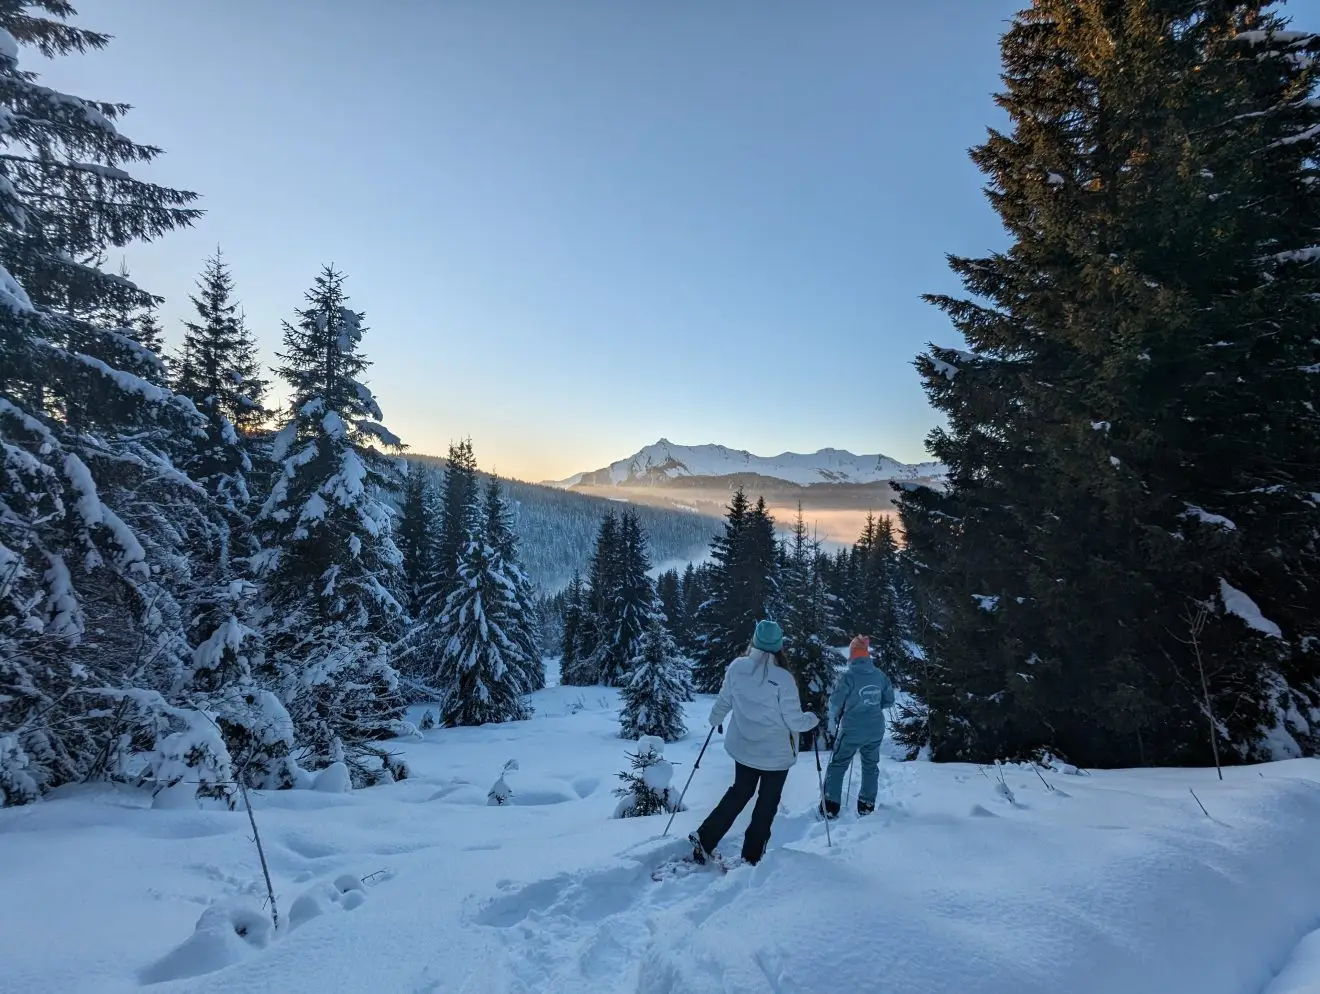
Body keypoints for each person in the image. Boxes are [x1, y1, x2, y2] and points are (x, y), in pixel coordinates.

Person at [689, 619, 819, 866]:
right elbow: (795, 722)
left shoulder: (737, 668)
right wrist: (812, 718)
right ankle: (751, 858)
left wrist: (714, 719)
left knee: (739, 793)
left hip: (745, 749)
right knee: (766, 804)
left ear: (755, 642)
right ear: (779, 646)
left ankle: (705, 839)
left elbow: (723, 702)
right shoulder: (783, 679)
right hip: (776, 756)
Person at [821, 635, 895, 818]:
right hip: (875, 728)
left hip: (852, 729)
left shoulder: (848, 677)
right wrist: (872, 706)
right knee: (870, 765)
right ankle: (866, 804)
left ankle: (830, 805)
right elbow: (889, 701)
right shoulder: (880, 675)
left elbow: (835, 703)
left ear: (852, 655)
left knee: (838, 764)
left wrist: (838, 710)